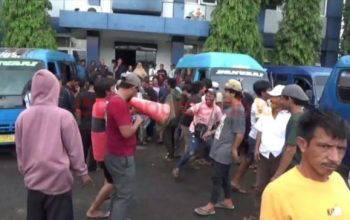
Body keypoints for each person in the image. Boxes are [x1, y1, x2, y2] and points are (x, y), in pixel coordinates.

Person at [15, 69, 92, 220]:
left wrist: (25, 170)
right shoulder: (64, 116)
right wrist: (82, 173)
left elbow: (20, 150)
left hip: (33, 183)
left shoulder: (22, 118)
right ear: (55, 90)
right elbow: (75, 149)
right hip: (59, 184)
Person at [260, 109, 350, 219]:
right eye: (325, 147)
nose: (335, 158)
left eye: (341, 149)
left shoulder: (338, 180)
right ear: (302, 144)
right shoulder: (277, 193)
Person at [194, 79, 246, 216]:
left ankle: (211, 205)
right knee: (224, 177)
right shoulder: (231, 109)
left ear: (234, 93)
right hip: (219, 146)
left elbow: (240, 133)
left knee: (217, 177)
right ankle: (228, 201)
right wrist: (211, 132)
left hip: (225, 150)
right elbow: (224, 126)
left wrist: (234, 149)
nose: (224, 94)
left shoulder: (238, 110)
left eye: (227, 91)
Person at [244, 85, 290, 220]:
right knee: (259, 188)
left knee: (275, 188)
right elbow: (260, 131)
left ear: (282, 99)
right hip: (264, 154)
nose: (271, 99)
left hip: (279, 156)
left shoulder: (289, 117)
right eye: (272, 97)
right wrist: (257, 148)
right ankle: (257, 215)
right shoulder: (266, 112)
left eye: (275, 97)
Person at [105, 73, 143, 220]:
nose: (136, 92)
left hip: (113, 153)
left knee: (118, 191)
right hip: (121, 156)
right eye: (137, 89)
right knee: (124, 196)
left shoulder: (114, 100)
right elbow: (126, 132)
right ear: (132, 88)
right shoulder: (119, 103)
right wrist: (138, 122)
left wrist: (130, 113)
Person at [231, 80, 271, 194]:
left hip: (256, 136)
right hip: (256, 137)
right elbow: (261, 121)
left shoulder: (263, 102)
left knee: (250, 161)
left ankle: (238, 181)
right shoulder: (259, 104)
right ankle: (239, 182)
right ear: (263, 92)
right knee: (256, 161)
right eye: (269, 90)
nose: (270, 92)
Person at [172, 89, 222, 178]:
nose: (208, 97)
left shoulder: (217, 110)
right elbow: (190, 111)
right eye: (207, 95)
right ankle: (177, 168)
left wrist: (211, 132)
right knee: (191, 151)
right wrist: (186, 110)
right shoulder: (199, 105)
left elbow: (221, 125)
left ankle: (218, 174)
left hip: (206, 135)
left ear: (215, 98)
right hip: (194, 132)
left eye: (211, 96)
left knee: (214, 150)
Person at [86, 78, 113, 219]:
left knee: (109, 176)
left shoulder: (97, 104)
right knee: (112, 181)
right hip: (105, 150)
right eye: (113, 88)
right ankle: (92, 210)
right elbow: (113, 128)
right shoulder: (107, 106)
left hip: (99, 148)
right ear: (108, 91)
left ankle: (106, 195)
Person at [271, 84, 309, 181]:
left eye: (282, 99)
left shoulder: (296, 120)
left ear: (290, 100)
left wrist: (277, 175)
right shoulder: (301, 116)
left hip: (294, 167)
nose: (280, 102)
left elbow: (290, 150)